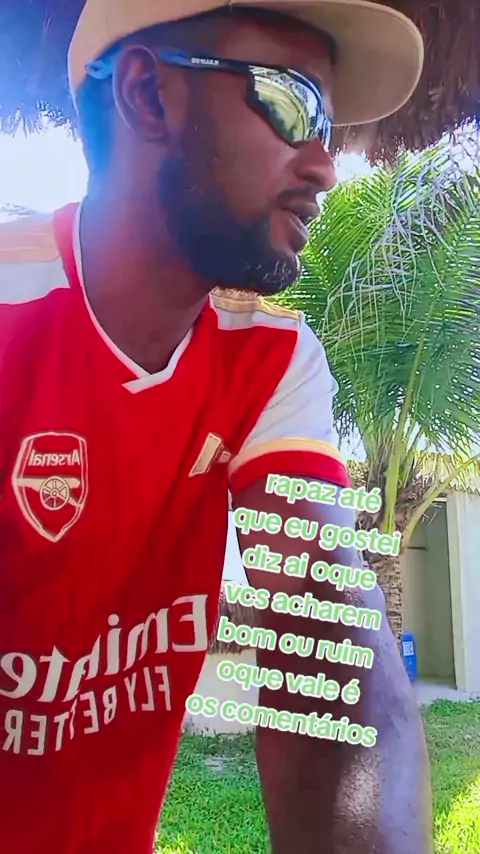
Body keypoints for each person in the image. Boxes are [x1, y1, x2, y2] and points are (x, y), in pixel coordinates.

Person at [0, 0, 433, 851]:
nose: (325, 166)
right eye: (293, 102)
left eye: (330, 127)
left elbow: (329, 652)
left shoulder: (269, 364)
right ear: (147, 95)